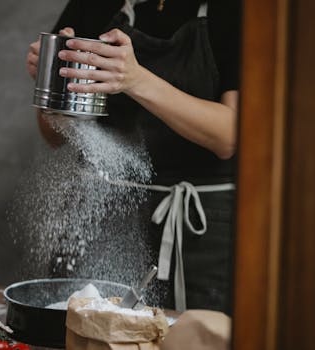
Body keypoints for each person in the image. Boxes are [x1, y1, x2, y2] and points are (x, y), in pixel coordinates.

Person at [26, 0, 240, 314]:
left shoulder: (234, 11)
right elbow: (54, 138)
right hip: (102, 213)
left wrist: (137, 80)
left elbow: (229, 136)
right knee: (85, 334)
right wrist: (53, 83)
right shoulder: (94, 7)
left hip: (197, 231)